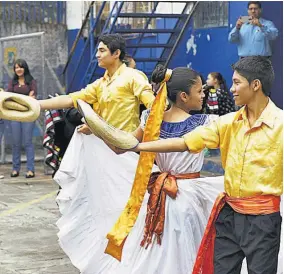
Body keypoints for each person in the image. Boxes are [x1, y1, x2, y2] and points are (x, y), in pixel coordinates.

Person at [54, 65, 228, 273]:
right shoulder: (206, 123)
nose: (203, 95)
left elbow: (120, 147)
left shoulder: (150, 120)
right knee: (192, 248)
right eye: (199, 91)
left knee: (157, 250)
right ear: (183, 96)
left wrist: (98, 131)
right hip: (189, 198)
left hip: (157, 196)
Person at [117, 56, 282, 274]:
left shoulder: (280, 125)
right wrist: (140, 147)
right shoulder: (227, 122)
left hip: (263, 219)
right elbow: (186, 143)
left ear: (256, 85)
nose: (231, 89)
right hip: (229, 214)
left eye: (237, 83)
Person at [39, 34, 155, 135]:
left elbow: (154, 107)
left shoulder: (133, 76)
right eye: (98, 50)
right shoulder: (100, 84)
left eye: (102, 50)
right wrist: (37, 104)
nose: (97, 55)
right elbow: (71, 99)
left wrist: (138, 135)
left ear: (116, 53)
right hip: (105, 146)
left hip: (127, 149)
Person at [7, 59, 37, 178]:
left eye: (20, 67)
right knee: (16, 143)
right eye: (16, 68)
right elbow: (8, 97)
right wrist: (25, 98)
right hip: (14, 115)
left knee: (28, 142)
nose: (18, 69)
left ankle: (30, 170)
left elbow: (32, 98)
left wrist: (17, 98)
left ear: (25, 68)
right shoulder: (12, 83)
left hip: (28, 115)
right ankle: (15, 169)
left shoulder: (31, 81)